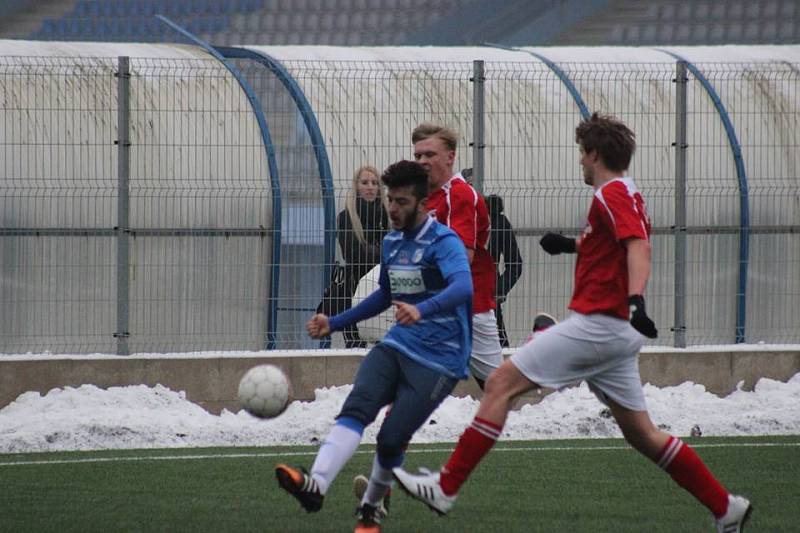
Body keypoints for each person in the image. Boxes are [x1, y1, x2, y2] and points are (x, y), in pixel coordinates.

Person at [393, 113, 752, 533]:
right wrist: (568, 245)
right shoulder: (626, 193)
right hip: (615, 333)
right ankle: (725, 507)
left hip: (599, 324)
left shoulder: (610, 193)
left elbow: (639, 247)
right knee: (643, 435)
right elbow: (611, 242)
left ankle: (446, 486)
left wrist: (637, 300)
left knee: (500, 384)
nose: (580, 163)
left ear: (595, 154)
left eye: (583, 154)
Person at [275, 160, 474, 533]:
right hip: (397, 346)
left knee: (390, 440)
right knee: (357, 407)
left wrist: (422, 308)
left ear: (422, 203)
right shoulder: (392, 241)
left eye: (401, 202)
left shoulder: (443, 241)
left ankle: (369, 511)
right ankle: (316, 484)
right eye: (390, 201)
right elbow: (384, 294)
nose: (393, 209)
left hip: (440, 360)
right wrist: (334, 322)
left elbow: (463, 287)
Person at [412, 124, 501, 389]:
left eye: (430, 155)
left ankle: (538, 347)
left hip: (468, 306)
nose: (422, 162)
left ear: (450, 157)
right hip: (437, 304)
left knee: (499, 390)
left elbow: (461, 259)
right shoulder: (424, 197)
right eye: (418, 156)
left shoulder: (459, 195)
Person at [461, 169, 523, 348]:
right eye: (468, 185)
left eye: (476, 185)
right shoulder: (454, 219)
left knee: (498, 351)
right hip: (458, 297)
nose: (473, 190)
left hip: (488, 299)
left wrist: (498, 290)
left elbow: (515, 264)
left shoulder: (499, 222)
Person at [336, 165, 389, 348]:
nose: (370, 187)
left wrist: (371, 250)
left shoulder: (388, 216)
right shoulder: (346, 217)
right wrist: (381, 252)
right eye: (365, 182)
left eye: (375, 183)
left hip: (384, 287)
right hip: (355, 287)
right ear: (356, 186)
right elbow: (353, 254)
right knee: (355, 343)